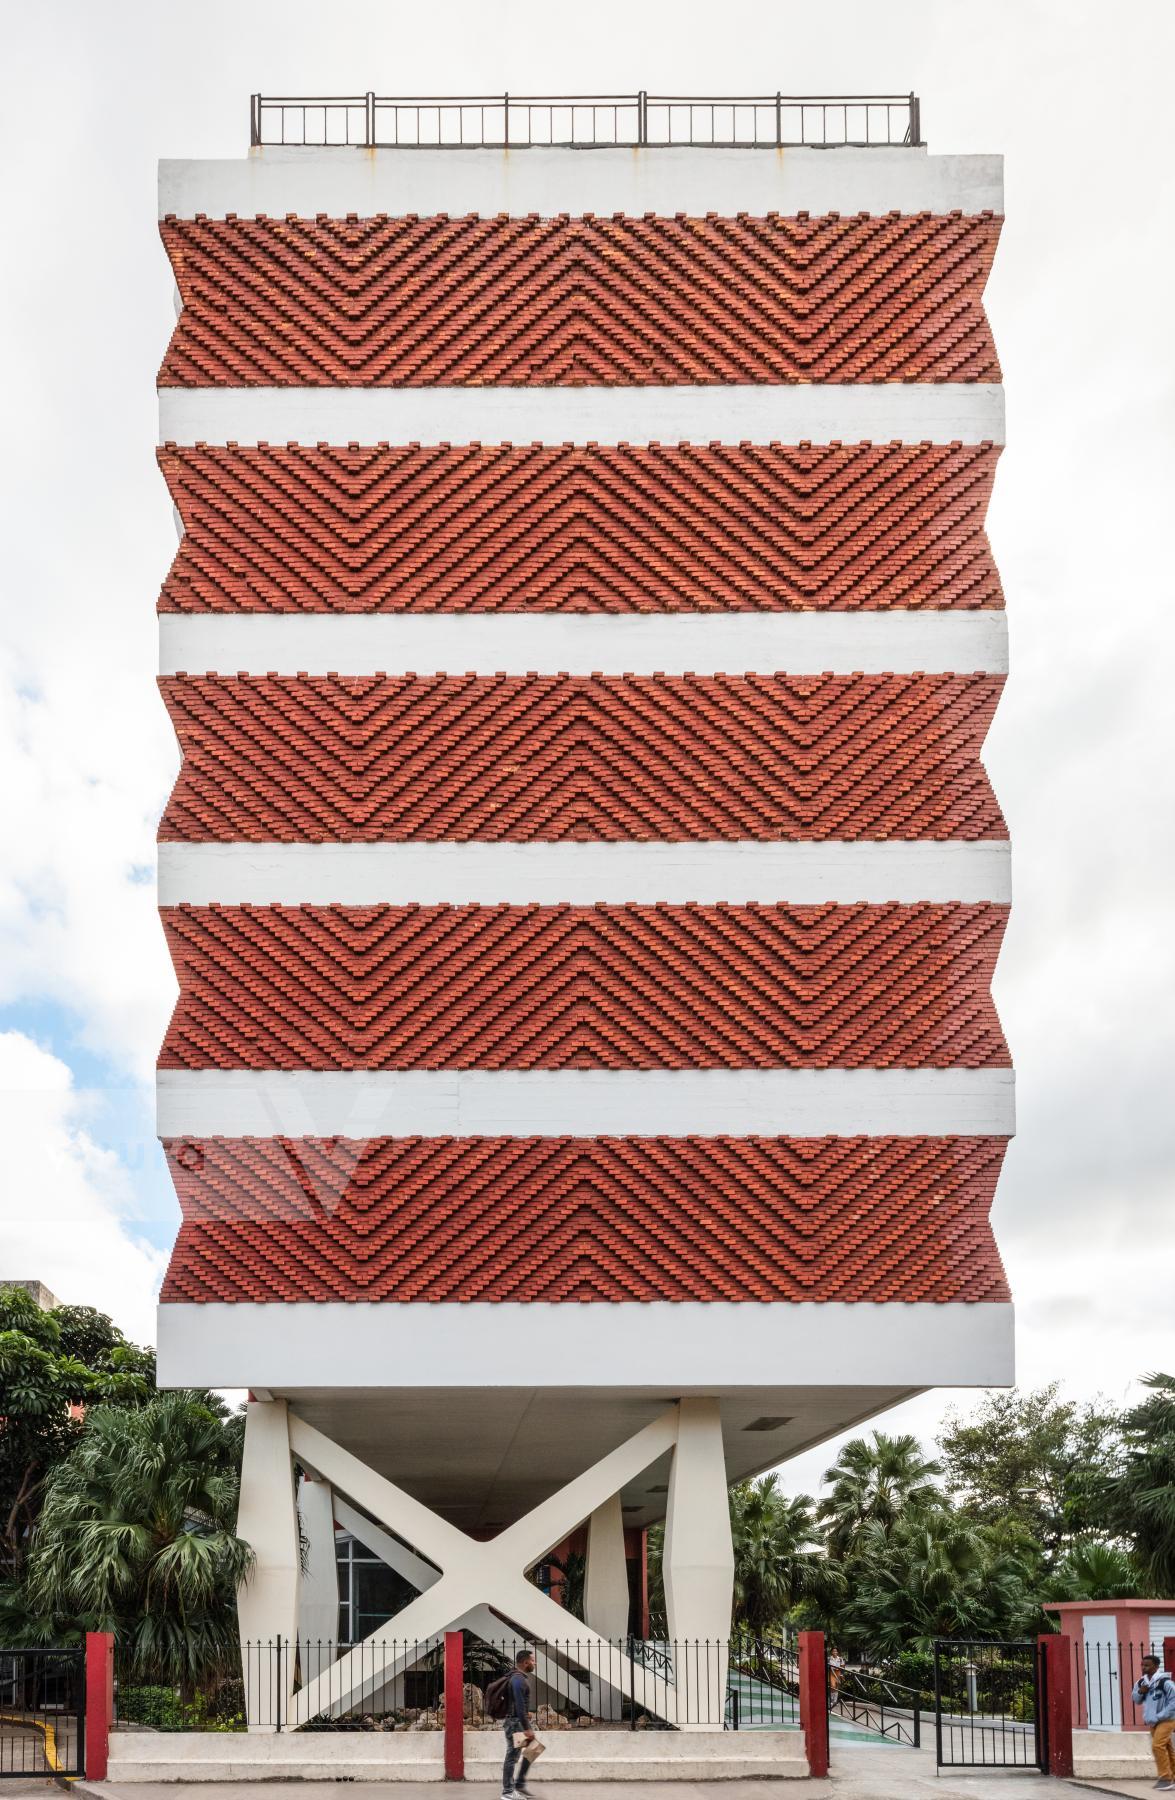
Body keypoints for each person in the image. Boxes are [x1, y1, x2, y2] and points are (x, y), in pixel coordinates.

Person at [1131, 1653, 1175, 1789]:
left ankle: (1165, 1778)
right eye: (1142, 1665)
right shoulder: (1141, 1682)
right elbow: (1136, 1700)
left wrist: (1161, 1715)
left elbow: (1174, 1701)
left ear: (1156, 1667)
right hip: (1153, 1721)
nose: (1144, 1668)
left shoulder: (1165, 1682)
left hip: (1167, 1719)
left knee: (1157, 1745)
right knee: (1167, 1748)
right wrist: (1140, 1692)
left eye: (1147, 1665)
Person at [501, 1647, 537, 1800]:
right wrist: (527, 1728)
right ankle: (508, 1792)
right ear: (525, 1662)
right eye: (533, 1660)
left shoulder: (518, 1677)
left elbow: (518, 1704)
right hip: (516, 1723)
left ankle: (520, 1784)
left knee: (534, 1749)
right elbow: (519, 1705)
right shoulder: (517, 1679)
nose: (534, 1663)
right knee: (512, 1756)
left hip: (516, 1720)